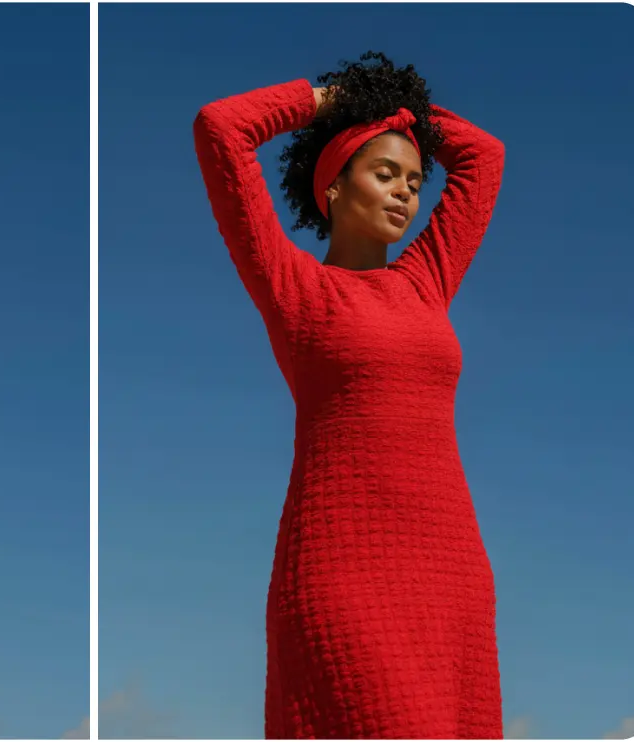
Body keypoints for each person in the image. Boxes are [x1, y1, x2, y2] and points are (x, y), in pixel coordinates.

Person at [193, 51, 506, 739]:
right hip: (343, 569)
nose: (405, 193)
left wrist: (400, 111)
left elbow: (484, 157)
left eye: (416, 180)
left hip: (451, 569)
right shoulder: (297, 289)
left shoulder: (426, 281)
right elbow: (221, 128)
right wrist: (334, 102)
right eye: (384, 173)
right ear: (332, 187)